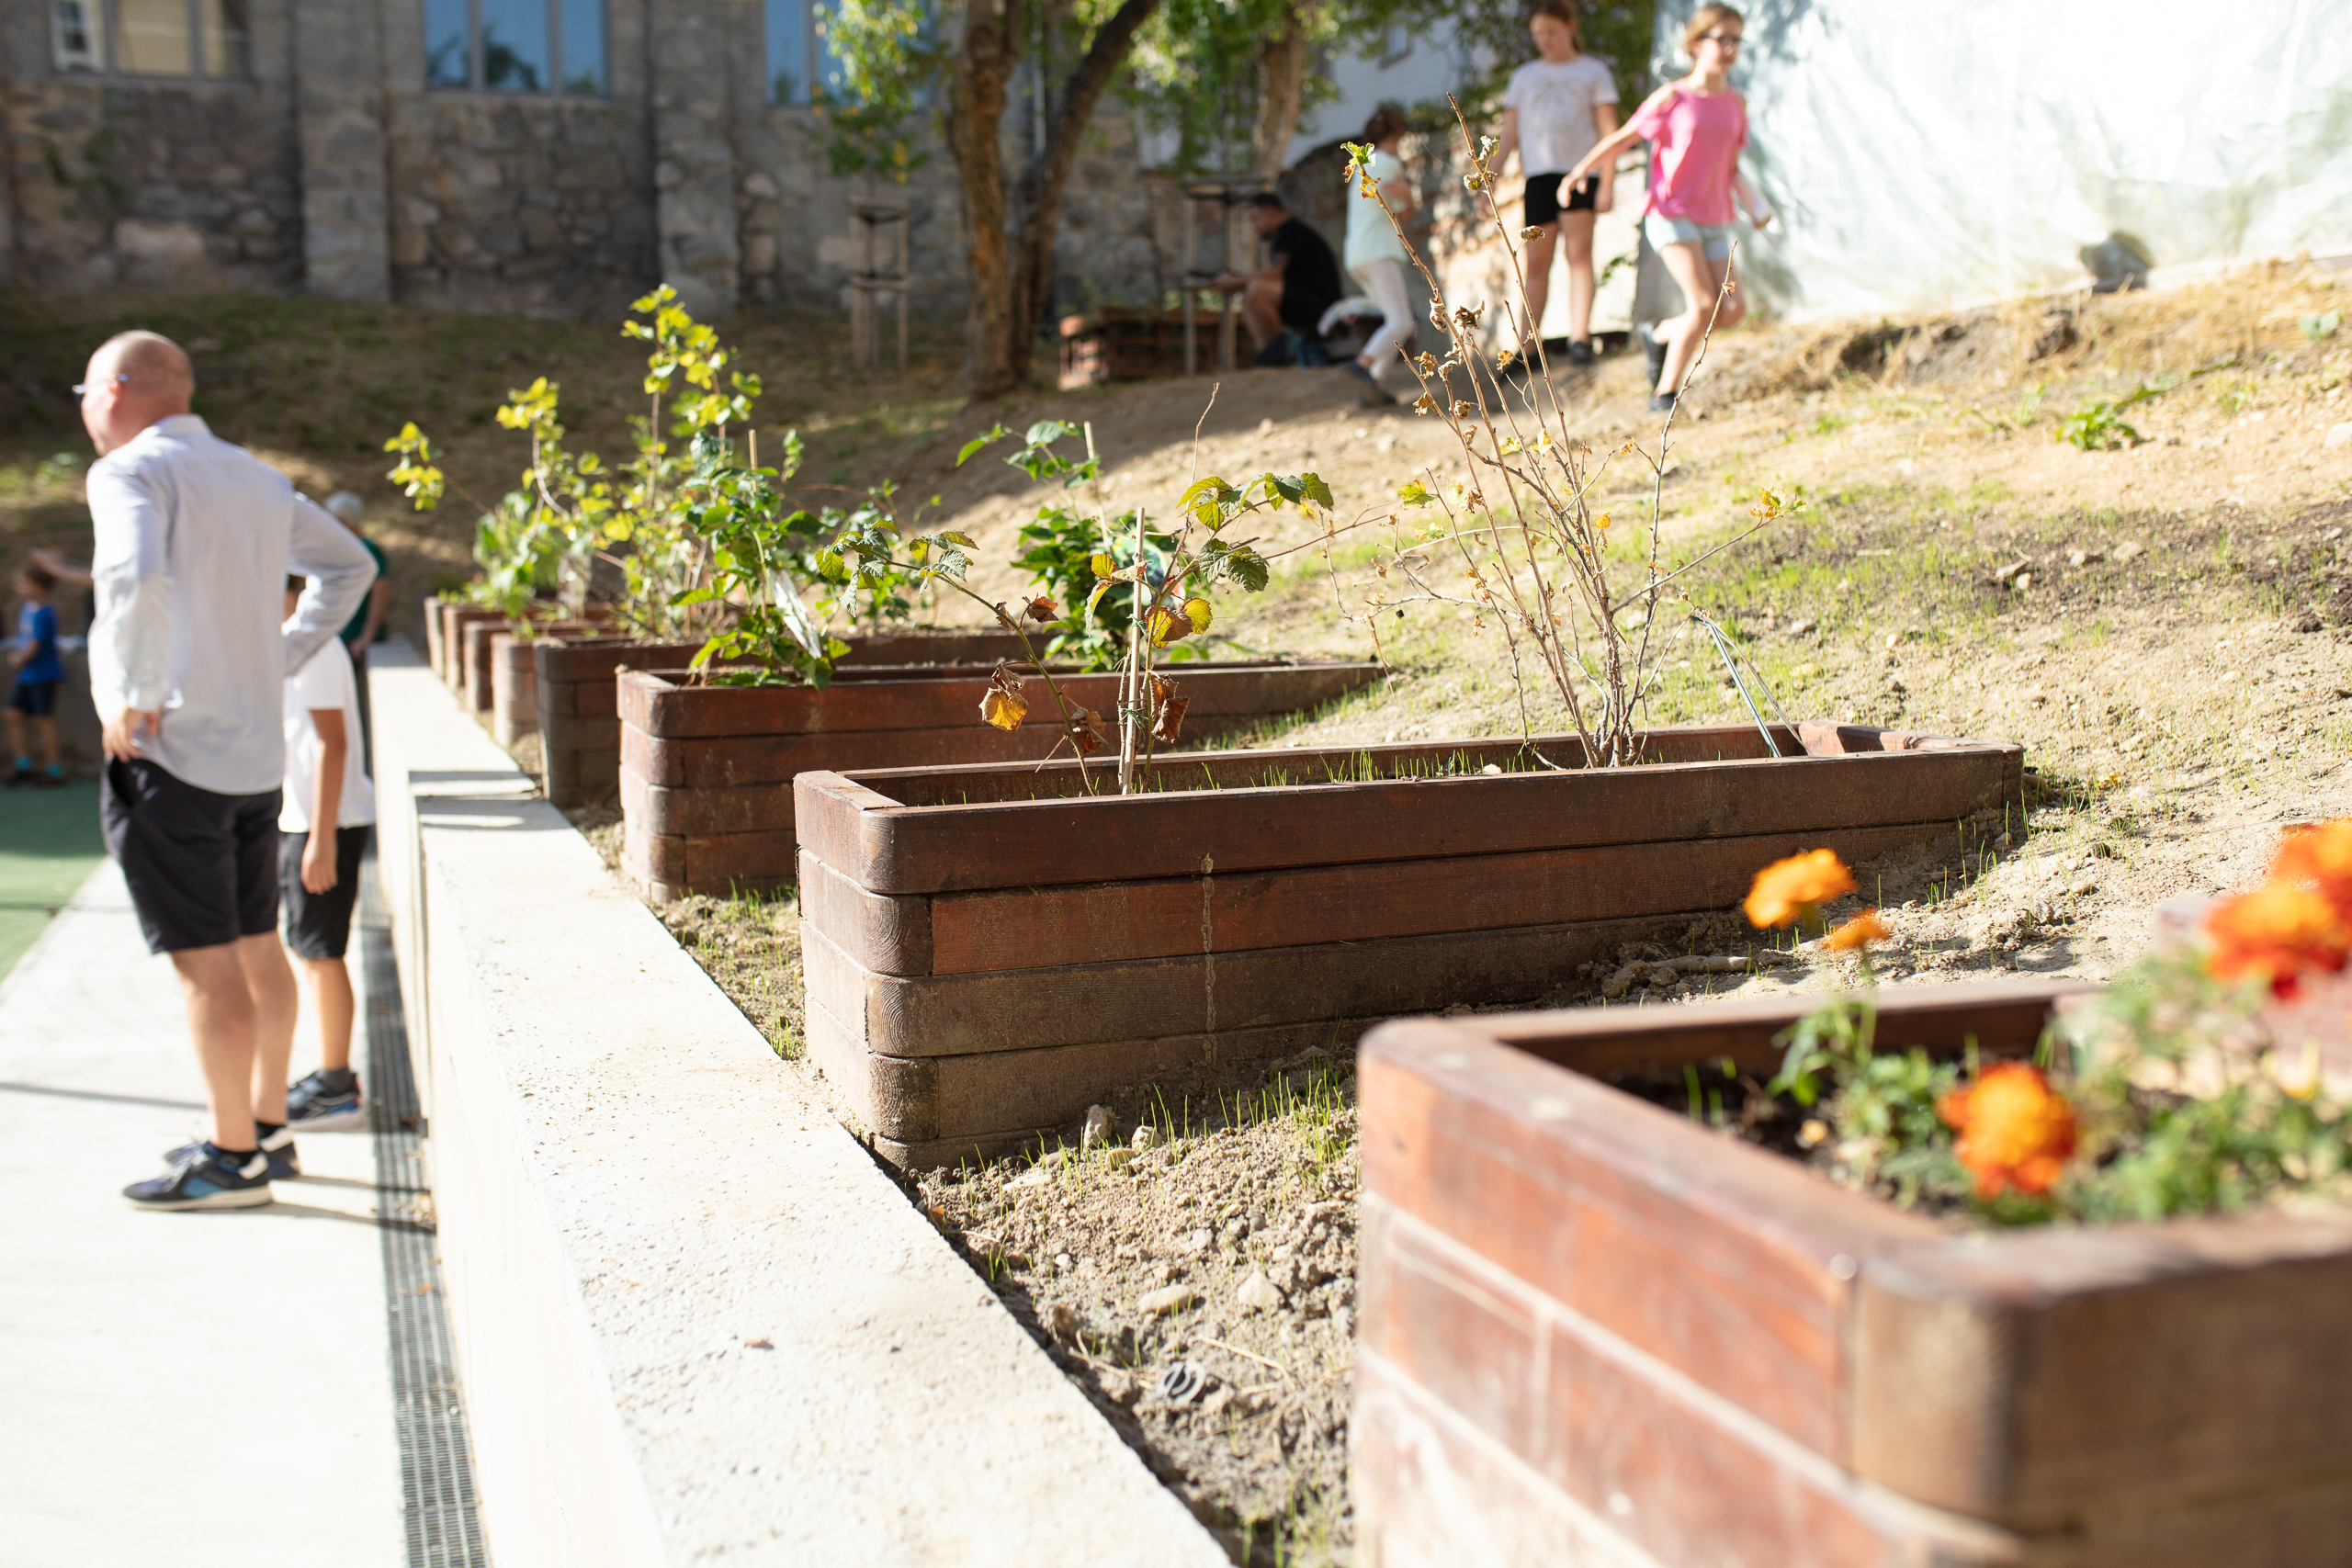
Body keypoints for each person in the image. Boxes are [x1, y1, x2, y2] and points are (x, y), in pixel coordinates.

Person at [80, 330, 378, 1211]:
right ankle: (263, 1129)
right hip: (253, 763)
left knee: (207, 967)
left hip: (172, 755)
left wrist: (131, 693)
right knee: (254, 945)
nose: (85, 408)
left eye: (85, 391)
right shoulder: (256, 477)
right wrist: (283, 653)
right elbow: (351, 565)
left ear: (117, 389)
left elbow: (135, 575)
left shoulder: (130, 473)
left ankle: (232, 1156)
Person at [1564, 3, 1772, 412]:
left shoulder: (1736, 103)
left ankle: (1659, 334)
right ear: (1695, 43)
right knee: (1702, 304)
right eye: (1721, 39)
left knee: (1733, 309)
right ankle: (1664, 394)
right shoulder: (1673, 97)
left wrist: (1757, 207)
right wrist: (1579, 172)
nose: (1730, 48)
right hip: (1671, 213)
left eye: (1736, 40)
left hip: (1714, 218)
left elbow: (1731, 167)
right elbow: (1624, 137)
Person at [276, 574, 376, 1134]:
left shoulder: (313, 646)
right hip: (307, 820)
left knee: (322, 950)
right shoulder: (295, 642)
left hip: (325, 822)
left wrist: (321, 837)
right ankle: (328, 1075)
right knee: (310, 950)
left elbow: (331, 744)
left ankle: (337, 1086)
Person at [1493, 0, 1620, 370]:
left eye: (1551, 31)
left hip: (1580, 175)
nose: (1544, 40)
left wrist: (1606, 183)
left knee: (1579, 255)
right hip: (1539, 178)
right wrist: (1490, 178)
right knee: (1536, 263)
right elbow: (1509, 133)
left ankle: (1580, 339)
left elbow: (1609, 132)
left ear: (1569, 27)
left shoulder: (1593, 72)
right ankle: (1527, 347)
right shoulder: (1523, 77)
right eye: (1537, 34)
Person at [1340, 105, 1421, 407]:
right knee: (1402, 322)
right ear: (1398, 133)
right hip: (1379, 251)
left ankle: (1373, 385)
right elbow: (1406, 213)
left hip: (1357, 254)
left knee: (1393, 320)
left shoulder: (1361, 164)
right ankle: (1361, 365)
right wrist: (1409, 196)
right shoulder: (1389, 164)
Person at [1214, 193, 1344, 367]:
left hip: (1322, 306)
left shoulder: (1289, 229)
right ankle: (1269, 353)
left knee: (1257, 290)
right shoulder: (1283, 234)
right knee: (1249, 292)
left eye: (1255, 219)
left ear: (1270, 211)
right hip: (1304, 302)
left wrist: (1234, 281)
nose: (1254, 227)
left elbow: (1275, 273)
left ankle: (1279, 354)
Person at [322, 491, 390, 773]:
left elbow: (381, 592)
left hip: (355, 641)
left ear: (346, 521)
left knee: (356, 710)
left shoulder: (367, 549)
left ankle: (360, 769)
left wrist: (366, 637)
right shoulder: (337, 549)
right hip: (336, 640)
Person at [7, 562, 66, 786]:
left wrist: (19, 658)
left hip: (43, 675)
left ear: (39, 587)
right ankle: (23, 766)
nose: (19, 588)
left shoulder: (44, 613)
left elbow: (34, 645)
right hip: (26, 676)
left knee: (44, 720)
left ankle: (54, 770)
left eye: (24, 584)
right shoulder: (27, 608)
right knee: (12, 714)